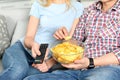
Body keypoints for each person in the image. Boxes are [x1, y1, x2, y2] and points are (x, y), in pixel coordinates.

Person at [23, 0, 120, 80]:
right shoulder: (89, 10)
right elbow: (76, 41)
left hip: (107, 69)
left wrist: (90, 62)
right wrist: (66, 38)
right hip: (76, 69)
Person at [0, 0, 83, 80]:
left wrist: (51, 62)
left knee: (29, 76)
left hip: (45, 58)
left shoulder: (77, 7)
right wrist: (33, 44)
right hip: (22, 49)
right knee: (19, 70)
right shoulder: (39, 4)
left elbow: (72, 43)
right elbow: (29, 37)